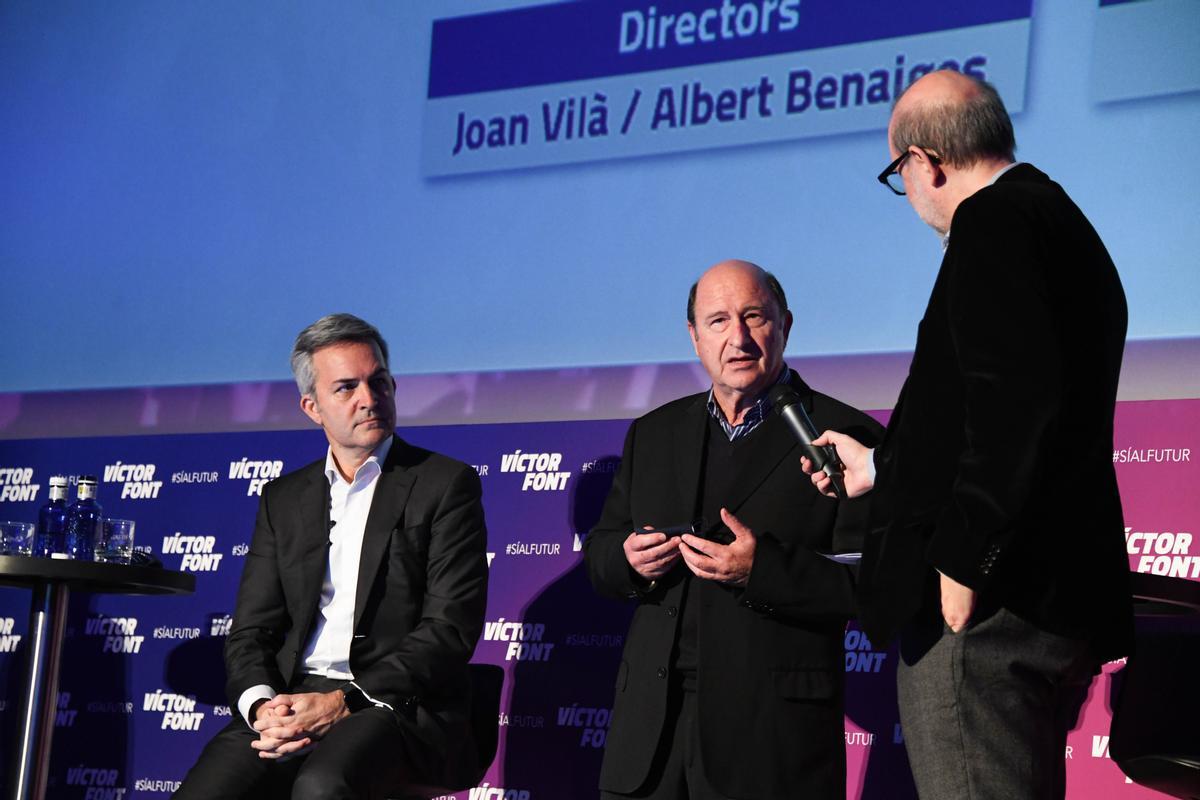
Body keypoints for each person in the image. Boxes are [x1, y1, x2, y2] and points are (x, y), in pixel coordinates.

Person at [806, 70, 1133, 799]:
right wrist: (882, 468)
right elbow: (1002, 405)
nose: (910, 192)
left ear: (925, 162)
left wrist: (964, 563)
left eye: (900, 173)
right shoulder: (1057, 219)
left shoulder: (992, 224)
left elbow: (1016, 407)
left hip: (986, 611)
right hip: (1046, 595)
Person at [584, 260, 883, 800]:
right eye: (718, 321)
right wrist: (628, 561)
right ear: (694, 336)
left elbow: (876, 582)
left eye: (754, 317)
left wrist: (762, 570)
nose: (738, 338)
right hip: (649, 740)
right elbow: (602, 555)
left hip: (770, 744)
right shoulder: (653, 433)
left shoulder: (848, 436)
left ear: (785, 324)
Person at [175, 314, 489, 799]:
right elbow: (251, 631)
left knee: (322, 786)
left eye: (378, 382)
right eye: (346, 388)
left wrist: (341, 701)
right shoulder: (284, 498)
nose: (369, 399)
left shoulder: (444, 485)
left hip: (395, 705)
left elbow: (449, 628)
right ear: (312, 407)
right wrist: (264, 708)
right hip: (294, 697)